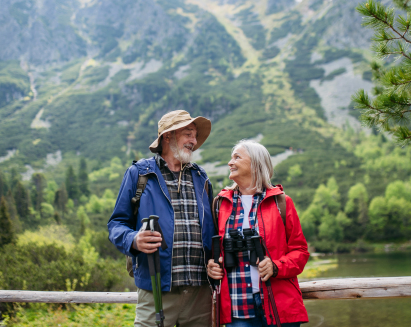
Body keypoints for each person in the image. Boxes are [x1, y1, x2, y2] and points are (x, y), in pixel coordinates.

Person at [108, 110, 215, 327]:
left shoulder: (201, 177)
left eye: (195, 135)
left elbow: (212, 230)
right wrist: (134, 240)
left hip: (199, 293)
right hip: (157, 288)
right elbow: (116, 224)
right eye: (188, 134)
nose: (194, 141)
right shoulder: (139, 174)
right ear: (168, 136)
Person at [207, 140, 309, 327]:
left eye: (237, 157)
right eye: (231, 158)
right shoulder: (219, 204)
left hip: (278, 304)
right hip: (237, 307)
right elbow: (212, 252)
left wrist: (276, 267)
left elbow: (300, 251)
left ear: (255, 164)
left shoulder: (281, 203)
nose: (230, 162)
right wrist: (211, 265)